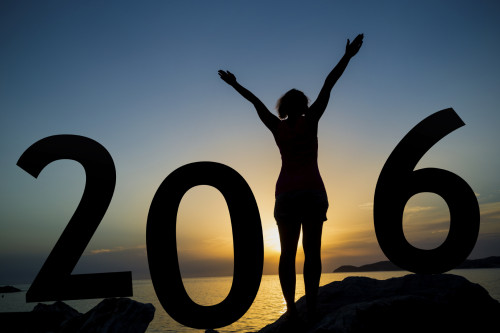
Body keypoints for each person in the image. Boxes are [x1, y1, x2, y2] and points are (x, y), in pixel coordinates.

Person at [218, 34, 363, 321]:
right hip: (312, 192)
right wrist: (347, 56)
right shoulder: (312, 121)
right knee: (312, 253)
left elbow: (256, 103)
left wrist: (235, 84)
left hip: (285, 195)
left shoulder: (277, 127)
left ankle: (292, 310)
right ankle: (310, 307)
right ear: (305, 105)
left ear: (284, 107)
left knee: (287, 255)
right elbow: (329, 83)